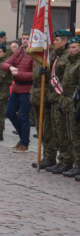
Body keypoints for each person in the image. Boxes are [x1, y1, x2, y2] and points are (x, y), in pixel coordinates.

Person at [46, 30, 74, 175]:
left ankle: (67, 160)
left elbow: (66, 81)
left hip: (62, 99)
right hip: (55, 98)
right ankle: (62, 159)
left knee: (64, 131)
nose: (54, 42)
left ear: (64, 41)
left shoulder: (67, 58)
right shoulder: (57, 56)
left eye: (57, 40)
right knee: (57, 130)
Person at [1, 31, 33, 152]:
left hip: (27, 88)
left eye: (27, 38)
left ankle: (24, 143)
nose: (25, 40)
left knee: (24, 116)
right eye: (23, 38)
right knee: (9, 113)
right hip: (16, 88)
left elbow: (35, 75)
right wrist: (10, 67)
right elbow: (4, 64)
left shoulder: (35, 54)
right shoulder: (19, 52)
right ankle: (24, 138)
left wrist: (19, 74)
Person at [59, 36, 80, 178]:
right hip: (66, 101)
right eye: (70, 47)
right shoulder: (69, 62)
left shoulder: (78, 64)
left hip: (76, 103)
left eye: (74, 47)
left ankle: (78, 165)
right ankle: (72, 162)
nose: (71, 50)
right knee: (68, 135)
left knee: (76, 136)